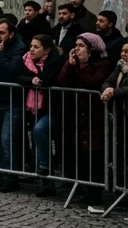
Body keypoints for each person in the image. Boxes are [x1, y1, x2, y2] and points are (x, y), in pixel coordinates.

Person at [37, 33, 113, 203]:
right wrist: (70, 65)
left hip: (94, 115)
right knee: (78, 153)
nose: (76, 49)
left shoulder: (103, 64)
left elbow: (93, 82)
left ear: (91, 49)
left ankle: (94, 193)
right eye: (76, 45)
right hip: (76, 115)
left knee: (94, 154)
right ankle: (80, 187)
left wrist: (83, 66)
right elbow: (63, 81)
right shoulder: (75, 64)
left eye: (81, 46)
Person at [0, 17, 29, 192]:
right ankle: (3, 174)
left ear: (11, 33)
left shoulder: (19, 47)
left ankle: (10, 177)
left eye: (2, 33)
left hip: (13, 100)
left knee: (7, 140)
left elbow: (11, 71)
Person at [16, 33, 61, 197]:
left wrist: (38, 79)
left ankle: (46, 168)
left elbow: (51, 77)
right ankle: (46, 183)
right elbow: (18, 75)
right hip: (31, 108)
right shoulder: (25, 59)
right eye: (31, 46)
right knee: (38, 142)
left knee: (40, 131)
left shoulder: (54, 61)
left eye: (36, 47)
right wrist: (31, 80)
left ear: (47, 50)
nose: (32, 50)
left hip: (51, 108)